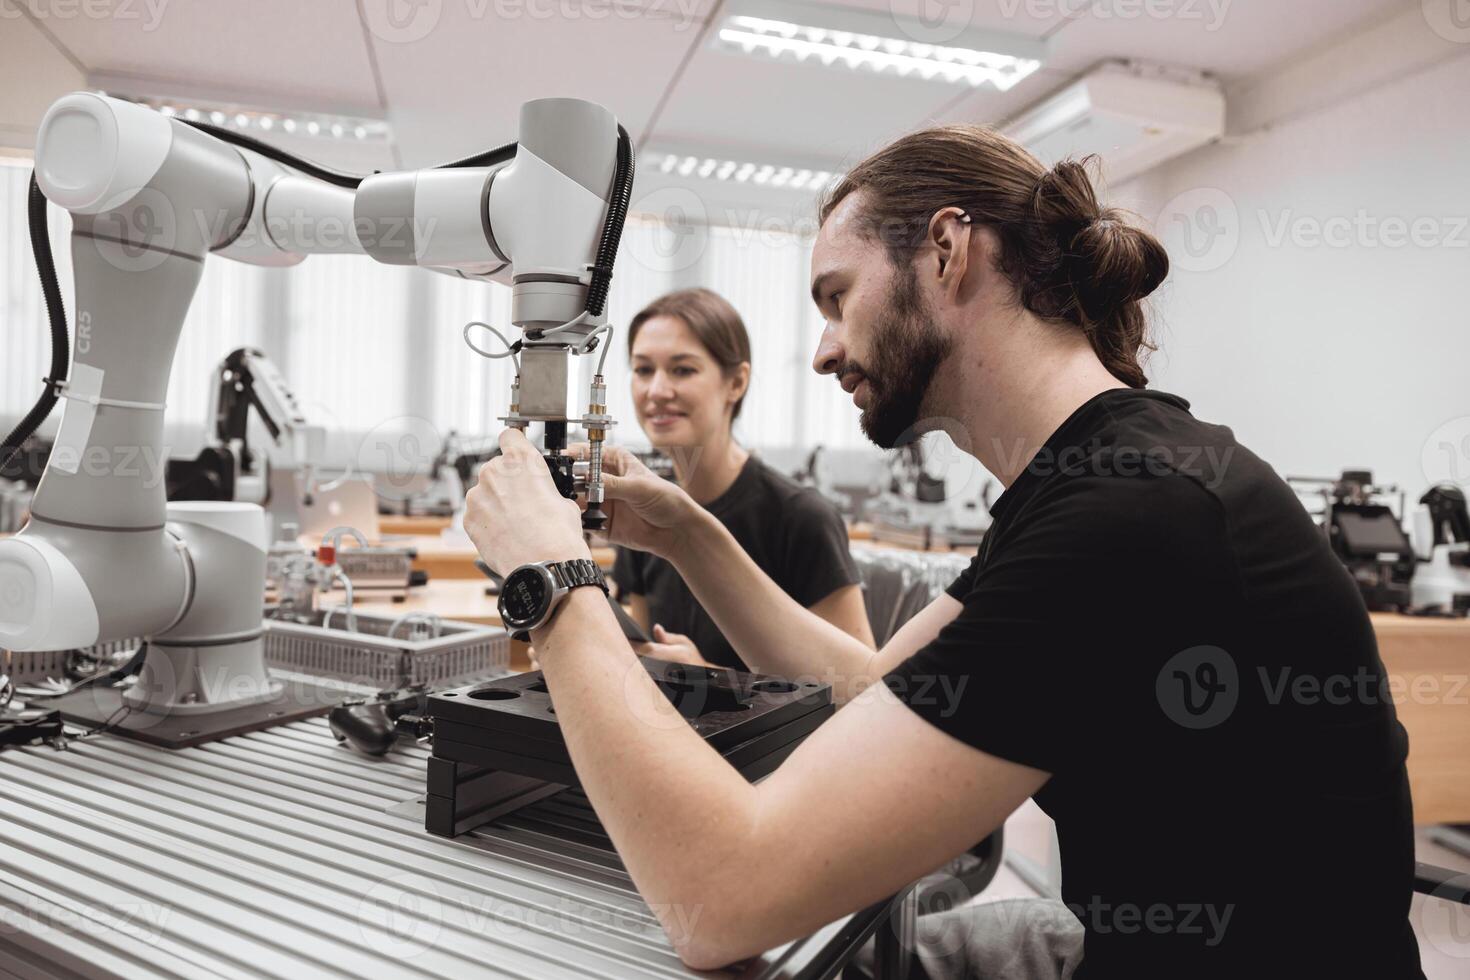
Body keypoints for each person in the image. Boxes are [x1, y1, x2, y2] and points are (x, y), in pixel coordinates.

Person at [464, 124, 1423, 978]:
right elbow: (871, 686)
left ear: (948, 252)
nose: (826, 350)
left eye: (838, 299)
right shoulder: (1101, 475)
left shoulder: (1129, 519)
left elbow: (719, 902)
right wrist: (688, 533)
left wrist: (550, 583)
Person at [613, 287, 873, 669]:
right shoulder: (641, 510)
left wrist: (711, 679)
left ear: (736, 383)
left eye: (683, 370)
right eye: (643, 370)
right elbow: (645, 654)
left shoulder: (801, 519)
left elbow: (864, 695)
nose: (657, 391)